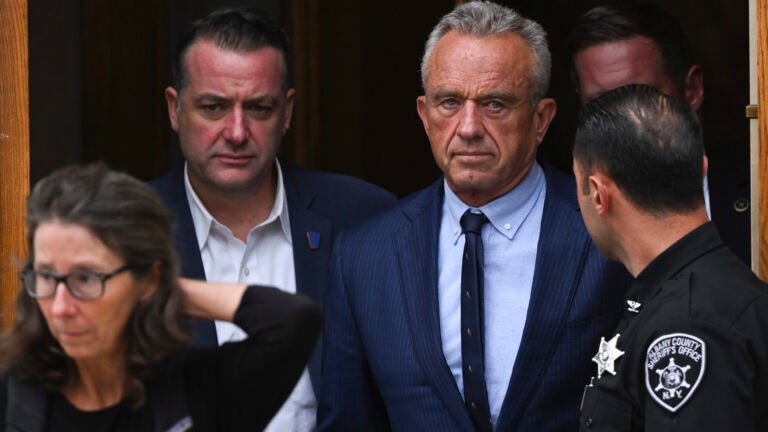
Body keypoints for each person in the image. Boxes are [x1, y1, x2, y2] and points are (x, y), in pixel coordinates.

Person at [317, 2, 630, 431]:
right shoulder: (365, 256)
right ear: (425, 117)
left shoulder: (607, 232)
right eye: (449, 102)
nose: (468, 127)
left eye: (495, 104)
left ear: (541, 120)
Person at [149, 7, 396, 430]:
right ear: (175, 109)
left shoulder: (365, 218)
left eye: (260, 108)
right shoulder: (125, 235)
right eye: (213, 107)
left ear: (287, 112)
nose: (237, 132)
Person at [0, 163, 321, 431]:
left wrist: (161, 289)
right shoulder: (14, 393)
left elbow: (293, 321)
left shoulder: (193, 392)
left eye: (85, 279)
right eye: (46, 276)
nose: (60, 308)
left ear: (148, 278)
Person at [574, 84, 768, 431]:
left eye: (579, 187)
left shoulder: (690, 326)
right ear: (702, 169)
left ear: (599, 195)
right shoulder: (689, 296)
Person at [567, 2, 751, 265]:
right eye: (601, 104)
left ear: (692, 90)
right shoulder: (567, 224)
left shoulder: (757, 194)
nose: (625, 121)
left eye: (643, 97)